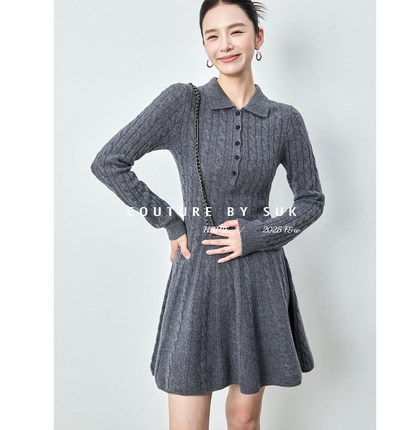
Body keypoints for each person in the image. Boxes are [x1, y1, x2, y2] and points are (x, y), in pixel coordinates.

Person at [90, 0, 325, 429]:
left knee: (244, 419)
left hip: (259, 279)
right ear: (204, 45)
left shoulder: (284, 120)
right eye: (212, 36)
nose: (224, 44)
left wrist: (254, 235)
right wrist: (169, 221)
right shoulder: (183, 103)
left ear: (257, 38)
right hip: (198, 276)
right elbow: (109, 162)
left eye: (236, 31)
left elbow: (311, 200)